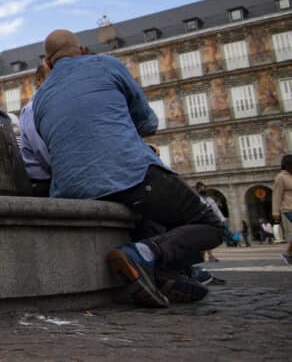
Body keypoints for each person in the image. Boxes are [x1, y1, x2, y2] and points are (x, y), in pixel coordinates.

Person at [33, 29, 225, 308]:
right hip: (129, 175)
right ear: (83, 50)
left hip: (71, 191)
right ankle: (145, 253)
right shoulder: (107, 65)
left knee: (149, 217)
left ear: (48, 64)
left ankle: (163, 277)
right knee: (211, 225)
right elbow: (148, 123)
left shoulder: (39, 99)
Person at [18, 63, 51, 196]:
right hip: (42, 185)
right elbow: (42, 152)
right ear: (38, 80)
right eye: (51, 77)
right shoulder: (32, 110)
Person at [274, 155, 292, 265]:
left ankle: (287, 253)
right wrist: (275, 211)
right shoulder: (280, 177)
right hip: (288, 208)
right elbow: (277, 195)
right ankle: (288, 253)